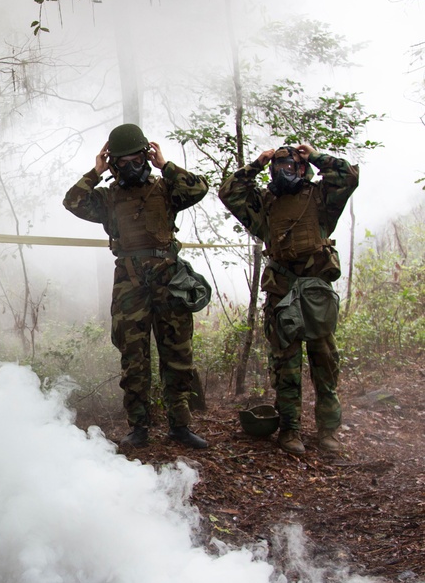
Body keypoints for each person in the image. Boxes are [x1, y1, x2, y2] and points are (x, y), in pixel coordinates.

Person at [63, 123, 211, 450]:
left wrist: (165, 166)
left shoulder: (165, 189)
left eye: (136, 160)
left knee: (177, 354)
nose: (131, 168)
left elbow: (198, 189)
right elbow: (72, 202)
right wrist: (96, 170)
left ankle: (180, 425)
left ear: (146, 157)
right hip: (130, 283)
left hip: (169, 281)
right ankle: (139, 427)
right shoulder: (107, 198)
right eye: (122, 162)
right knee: (134, 358)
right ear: (114, 164)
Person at [218, 144, 359, 455]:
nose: (285, 170)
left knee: (325, 364)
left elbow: (348, 176)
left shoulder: (320, 199)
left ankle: (328, 432)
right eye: (279, 165)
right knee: (286, 366)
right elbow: (229, 192)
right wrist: (257, 162)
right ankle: (290, 430)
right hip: (282, 294)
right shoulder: (265, 205)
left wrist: (316, 156)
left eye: (292, 165)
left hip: (315, 293)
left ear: (302, 168)